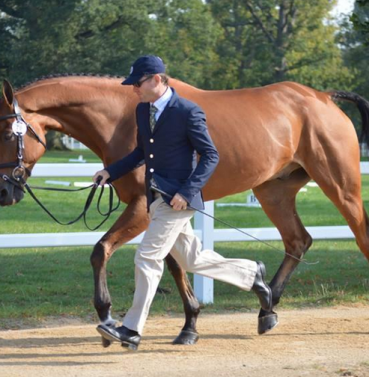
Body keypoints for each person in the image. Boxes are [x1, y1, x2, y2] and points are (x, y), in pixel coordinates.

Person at [93, 55, 275, 351]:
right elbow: (141, 151)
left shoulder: (187, 111)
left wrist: (187, 191)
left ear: (156, 79)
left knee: (147, 258)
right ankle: (251, 273)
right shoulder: (143, 110)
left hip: (177, 201)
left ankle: (131, 329)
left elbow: (211, 155)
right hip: (156, 198)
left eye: (137, 84)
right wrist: (110, 172)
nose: (133, 89)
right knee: (192, 259)